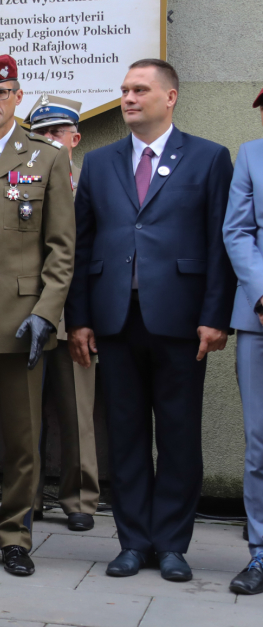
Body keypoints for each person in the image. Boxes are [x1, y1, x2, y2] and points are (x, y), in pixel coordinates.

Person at [66, 59, 236, 582]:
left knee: (180, 434)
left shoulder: (208, 158)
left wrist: (215, 317)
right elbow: (82, 245)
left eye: (140, 89)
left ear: (171, 97)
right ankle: (133, 541)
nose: (129, 98)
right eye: (124, 90)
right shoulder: (99, 163)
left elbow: (219, 244)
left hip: (182, 321)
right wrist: (80, 318)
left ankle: (172, 545)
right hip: (115, 319)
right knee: (126, 434)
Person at [0, 56, 75, 577]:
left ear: (17, 96)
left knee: (24, 437)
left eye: (2, 93)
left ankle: (14, 534)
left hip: (20, 319)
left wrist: (47, 313)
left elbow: (61, 248)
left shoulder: (47, 157)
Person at [24, 95, 100, 532]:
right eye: (41, 134)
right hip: (29, 310)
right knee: (26, 412)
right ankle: (28, 496)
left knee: (77, 411)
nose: (49, 140)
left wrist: (88, 317)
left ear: (75, 137)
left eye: (56, 132)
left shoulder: (90, 182)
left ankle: (80, 500)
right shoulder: (21, 180)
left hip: (76, 315)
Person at [223, 87, 263, 595]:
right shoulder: (252, 154)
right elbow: (238, 230)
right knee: (259, 445)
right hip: (259, 314)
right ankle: (260, 552)